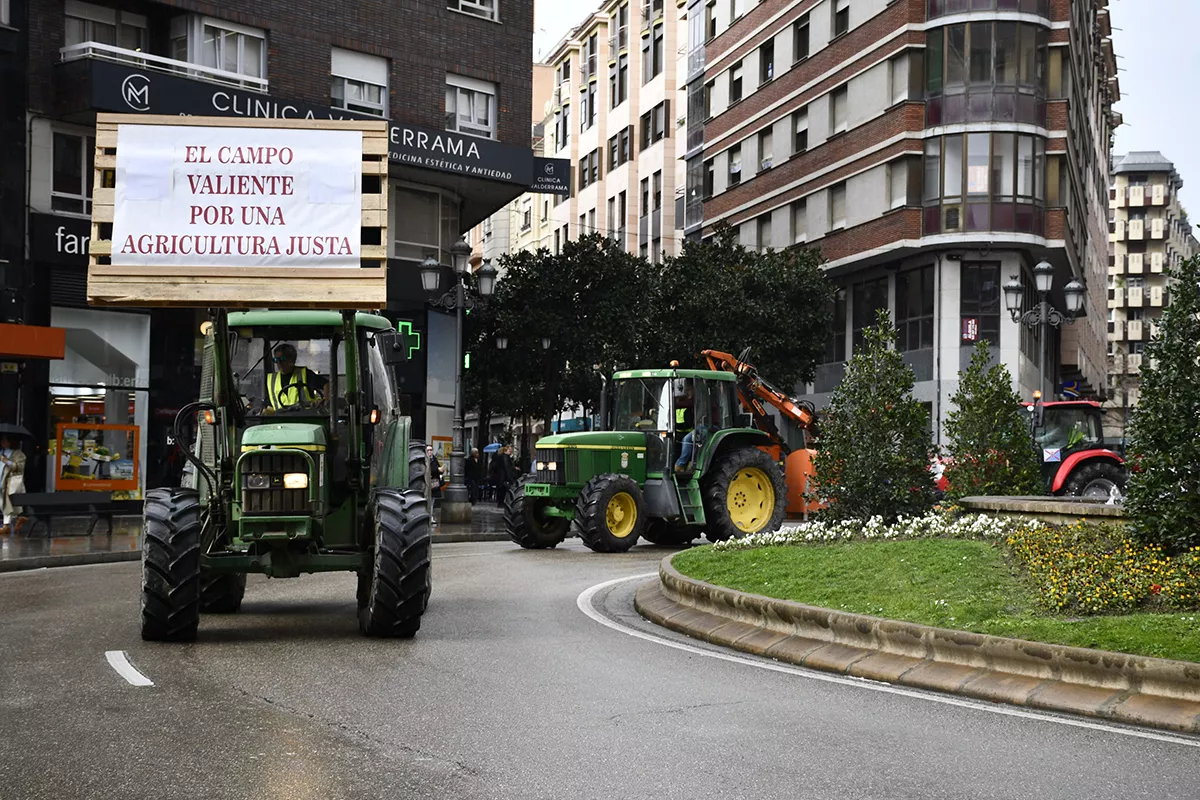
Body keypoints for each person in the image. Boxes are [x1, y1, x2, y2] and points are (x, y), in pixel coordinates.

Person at [268, 343, 329, 411]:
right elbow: (269, 404)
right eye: (276, 360)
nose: (279, 363)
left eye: (283, 359)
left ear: (292, 359)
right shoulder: (271, 380)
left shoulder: (305, 374)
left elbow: (327, 384)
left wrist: (325, 401)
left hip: (306, 418)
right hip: (280, 419)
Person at [0, 435, 27, 535]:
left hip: (10, 482)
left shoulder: (19, 454)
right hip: (1, 480)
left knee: (6, 503)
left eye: (4, 440)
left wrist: (6, 461)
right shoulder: (1, 452)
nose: (2, 442)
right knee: (3, 503)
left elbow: (19, 467)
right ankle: (19, 518)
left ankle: (6, 525)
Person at [426, 445, 443, 524]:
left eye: (431, 450)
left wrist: (441, 470)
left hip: (434, 483)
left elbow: (437, 468)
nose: (430, 452)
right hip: (427, 483)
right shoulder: (425, 460)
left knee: (432, 501)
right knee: (428, 501)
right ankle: (428, 516)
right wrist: (437, 469)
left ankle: (430, 516)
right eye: (428, 450)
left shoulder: (434, 459)